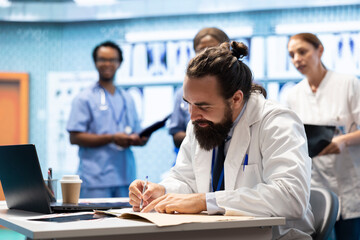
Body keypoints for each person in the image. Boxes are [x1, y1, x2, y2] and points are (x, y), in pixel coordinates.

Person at [129, 41, 315, 239]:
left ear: (236, 99)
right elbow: (185, 179)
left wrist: (205, 202)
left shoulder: (276, 122)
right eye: (188, 104)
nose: (192, 116)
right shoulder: (201, 123)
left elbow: (291, 197)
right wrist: (162, 190)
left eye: (203, 106)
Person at [287, 33, 360, 240]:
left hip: (349, 183)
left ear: (320, 50)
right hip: (315, 184)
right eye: (292, 55)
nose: (297, 59)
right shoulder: (293, 94)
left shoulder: (349, 84)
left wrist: (343, 141)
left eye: (302, 52)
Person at [67, 41, 147, 198]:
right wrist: (111, 138)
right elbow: (74, 137)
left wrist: (141, 139)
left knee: (125, 221)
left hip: (125, 177)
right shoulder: (84, 98)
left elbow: (137, 132)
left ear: (120, 63)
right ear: (95, 62)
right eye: (102, 59)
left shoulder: (127, 98)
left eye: (112, 60)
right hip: (95, 179)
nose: (107, 64)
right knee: (95, 222)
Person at [169, 27, 230, 151]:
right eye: (201, 49)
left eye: (213, 47)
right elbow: (176, 136)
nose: (206, 52)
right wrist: (203, 136)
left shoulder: (245, 86)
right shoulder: (184, 92)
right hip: (195, 160)